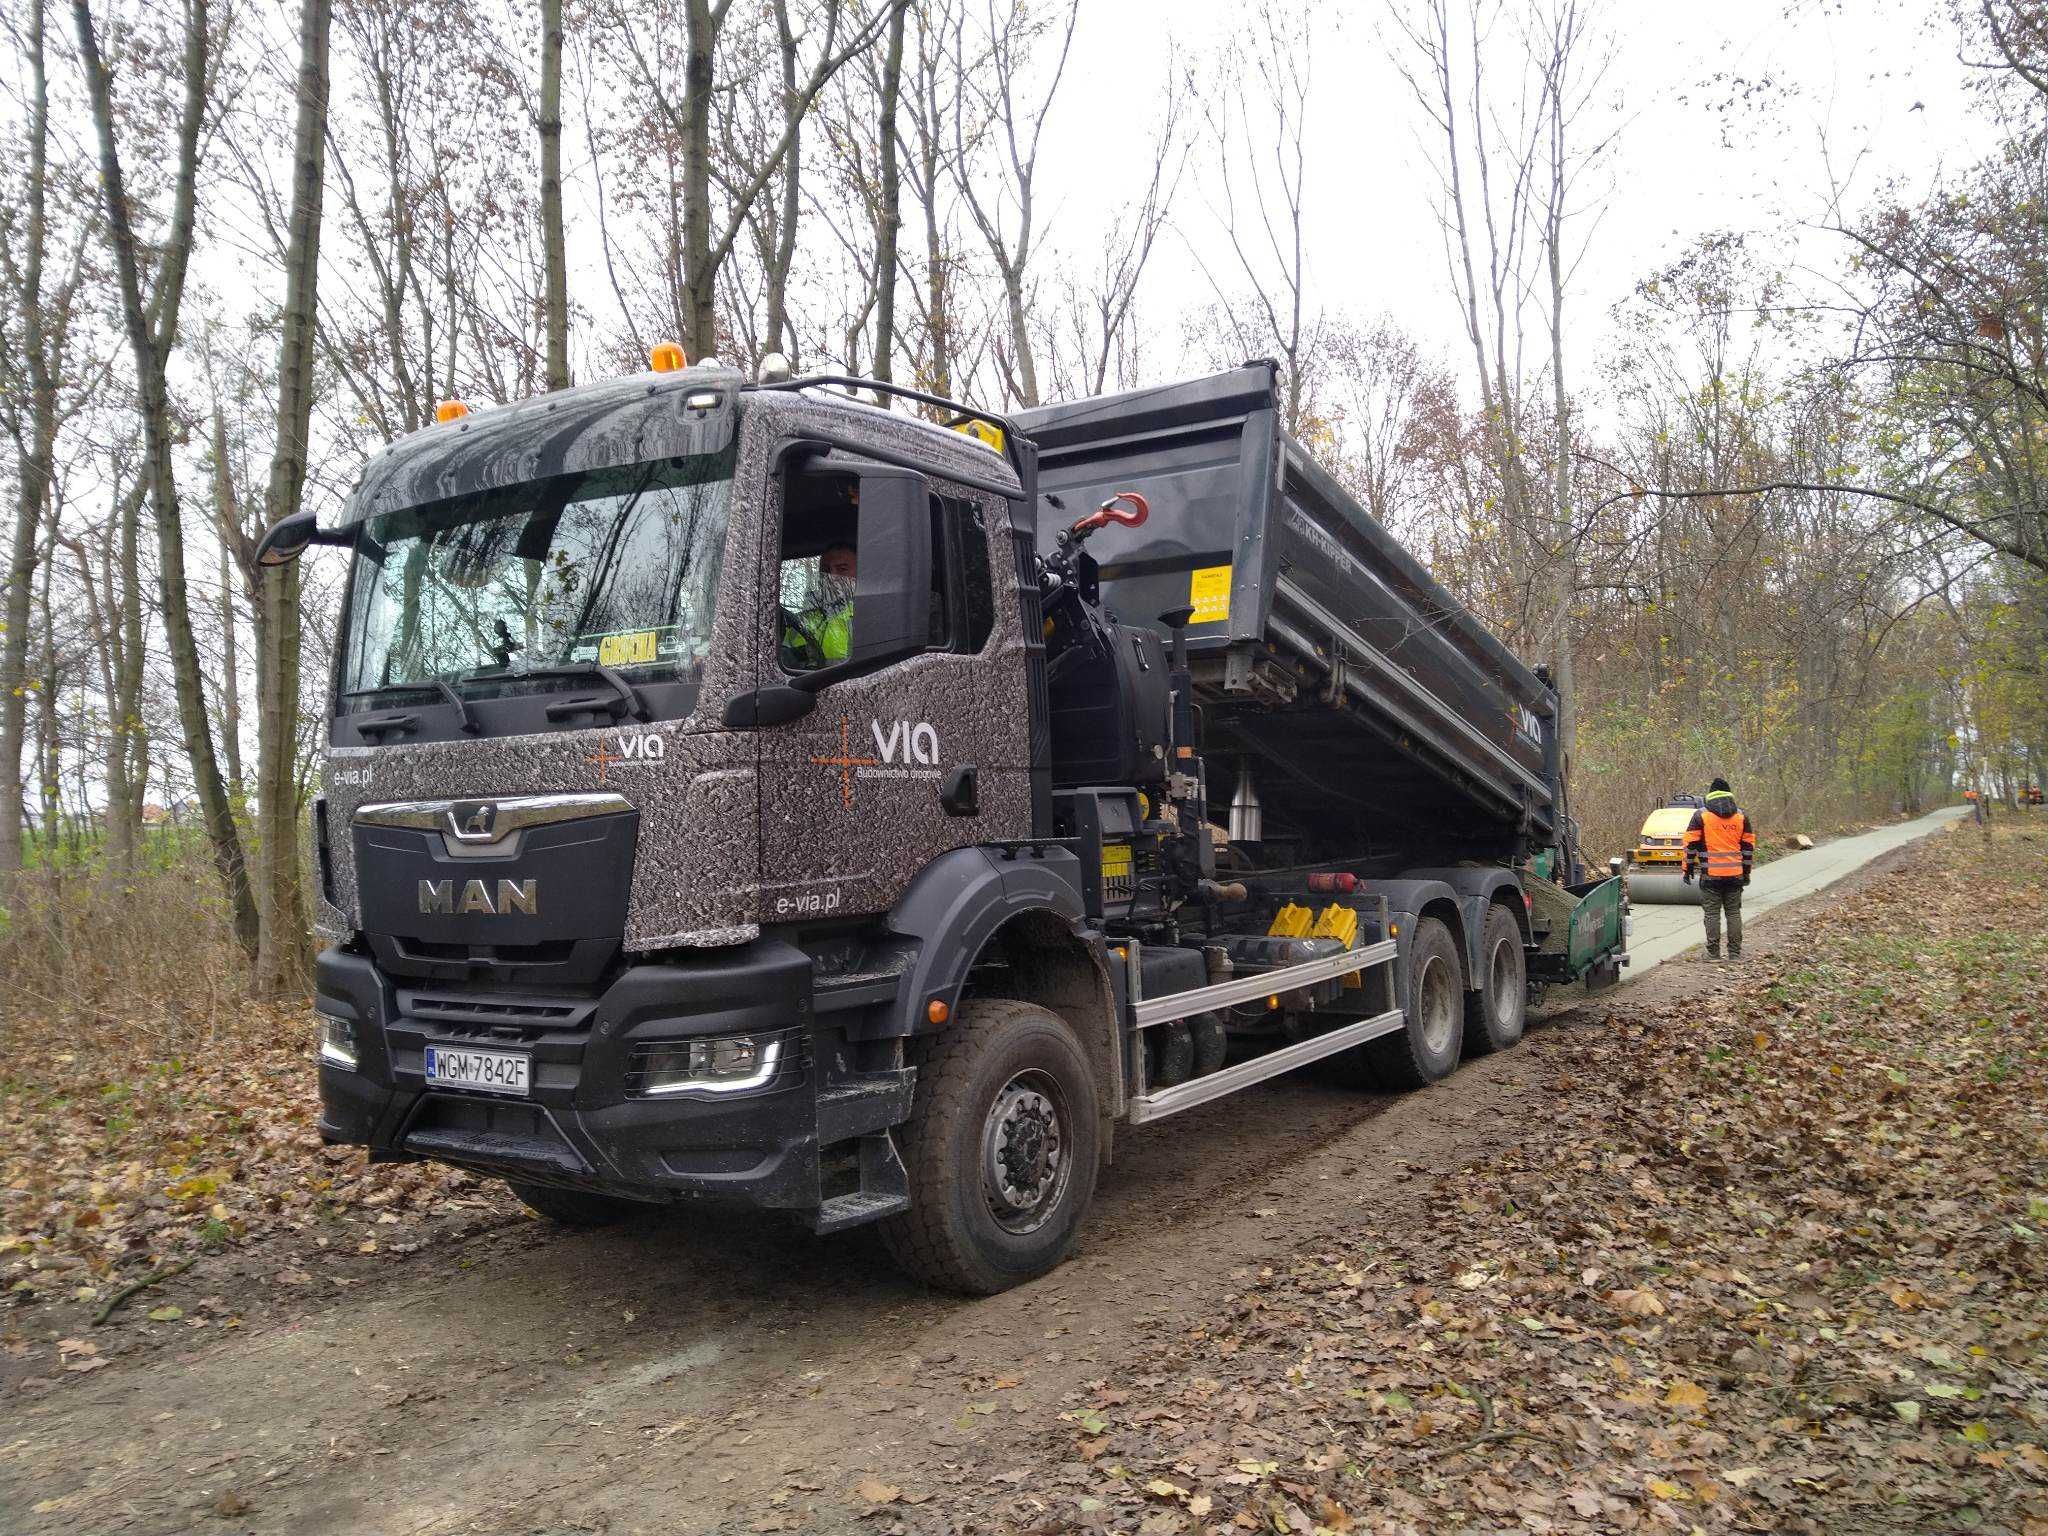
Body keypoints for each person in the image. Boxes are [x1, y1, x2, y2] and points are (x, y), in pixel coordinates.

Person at [1682, 776, 1756, 962]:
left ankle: (1713, 953)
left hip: (1711, 876)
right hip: (1735, 875)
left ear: (1710, 795)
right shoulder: (1741, 816)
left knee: (1712, 914)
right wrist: (1746, 873)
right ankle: (1735, 953)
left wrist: (1687, 868)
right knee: (1733, 913)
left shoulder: (1701, 816)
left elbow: (1690, 844)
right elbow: (1748, 848)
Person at [782, 542, 856, 668]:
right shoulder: (801, 621)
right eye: (826, 570)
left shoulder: (869, 616)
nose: (831, 577)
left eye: (842, 569)